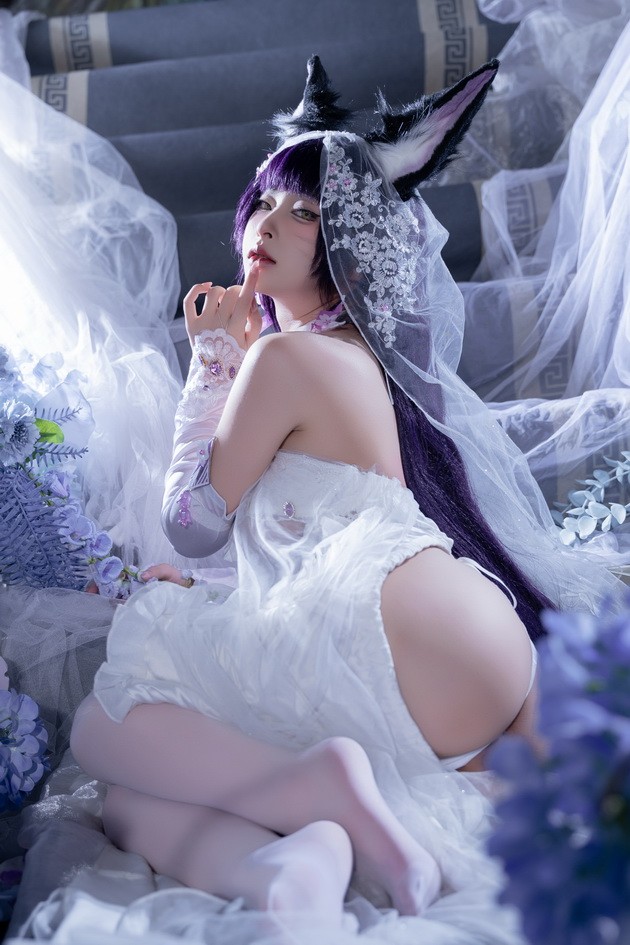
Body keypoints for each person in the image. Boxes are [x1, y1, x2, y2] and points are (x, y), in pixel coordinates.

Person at [69, 58, 558, 941]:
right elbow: (301, 540)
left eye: (305, 211)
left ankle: (312, 801)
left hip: (389, 638)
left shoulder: (282, 358)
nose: (268, 223)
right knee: (134, 799)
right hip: (485, 651)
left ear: (349, 245)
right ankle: (292, 861)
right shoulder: (367, 366)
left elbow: (193, 526)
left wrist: (214, 362)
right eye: (263, 201)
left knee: (104, 730)